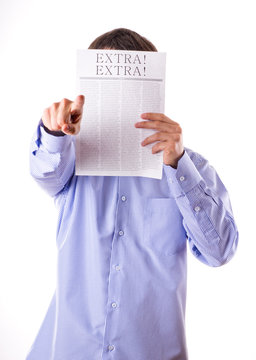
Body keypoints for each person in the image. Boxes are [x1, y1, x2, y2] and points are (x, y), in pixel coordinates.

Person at [26, 28, 238, 360]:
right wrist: (53, 133)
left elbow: (220, 251)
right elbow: (44, 171)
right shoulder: (70, 158)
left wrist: (178, 165)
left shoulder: (190, 167)